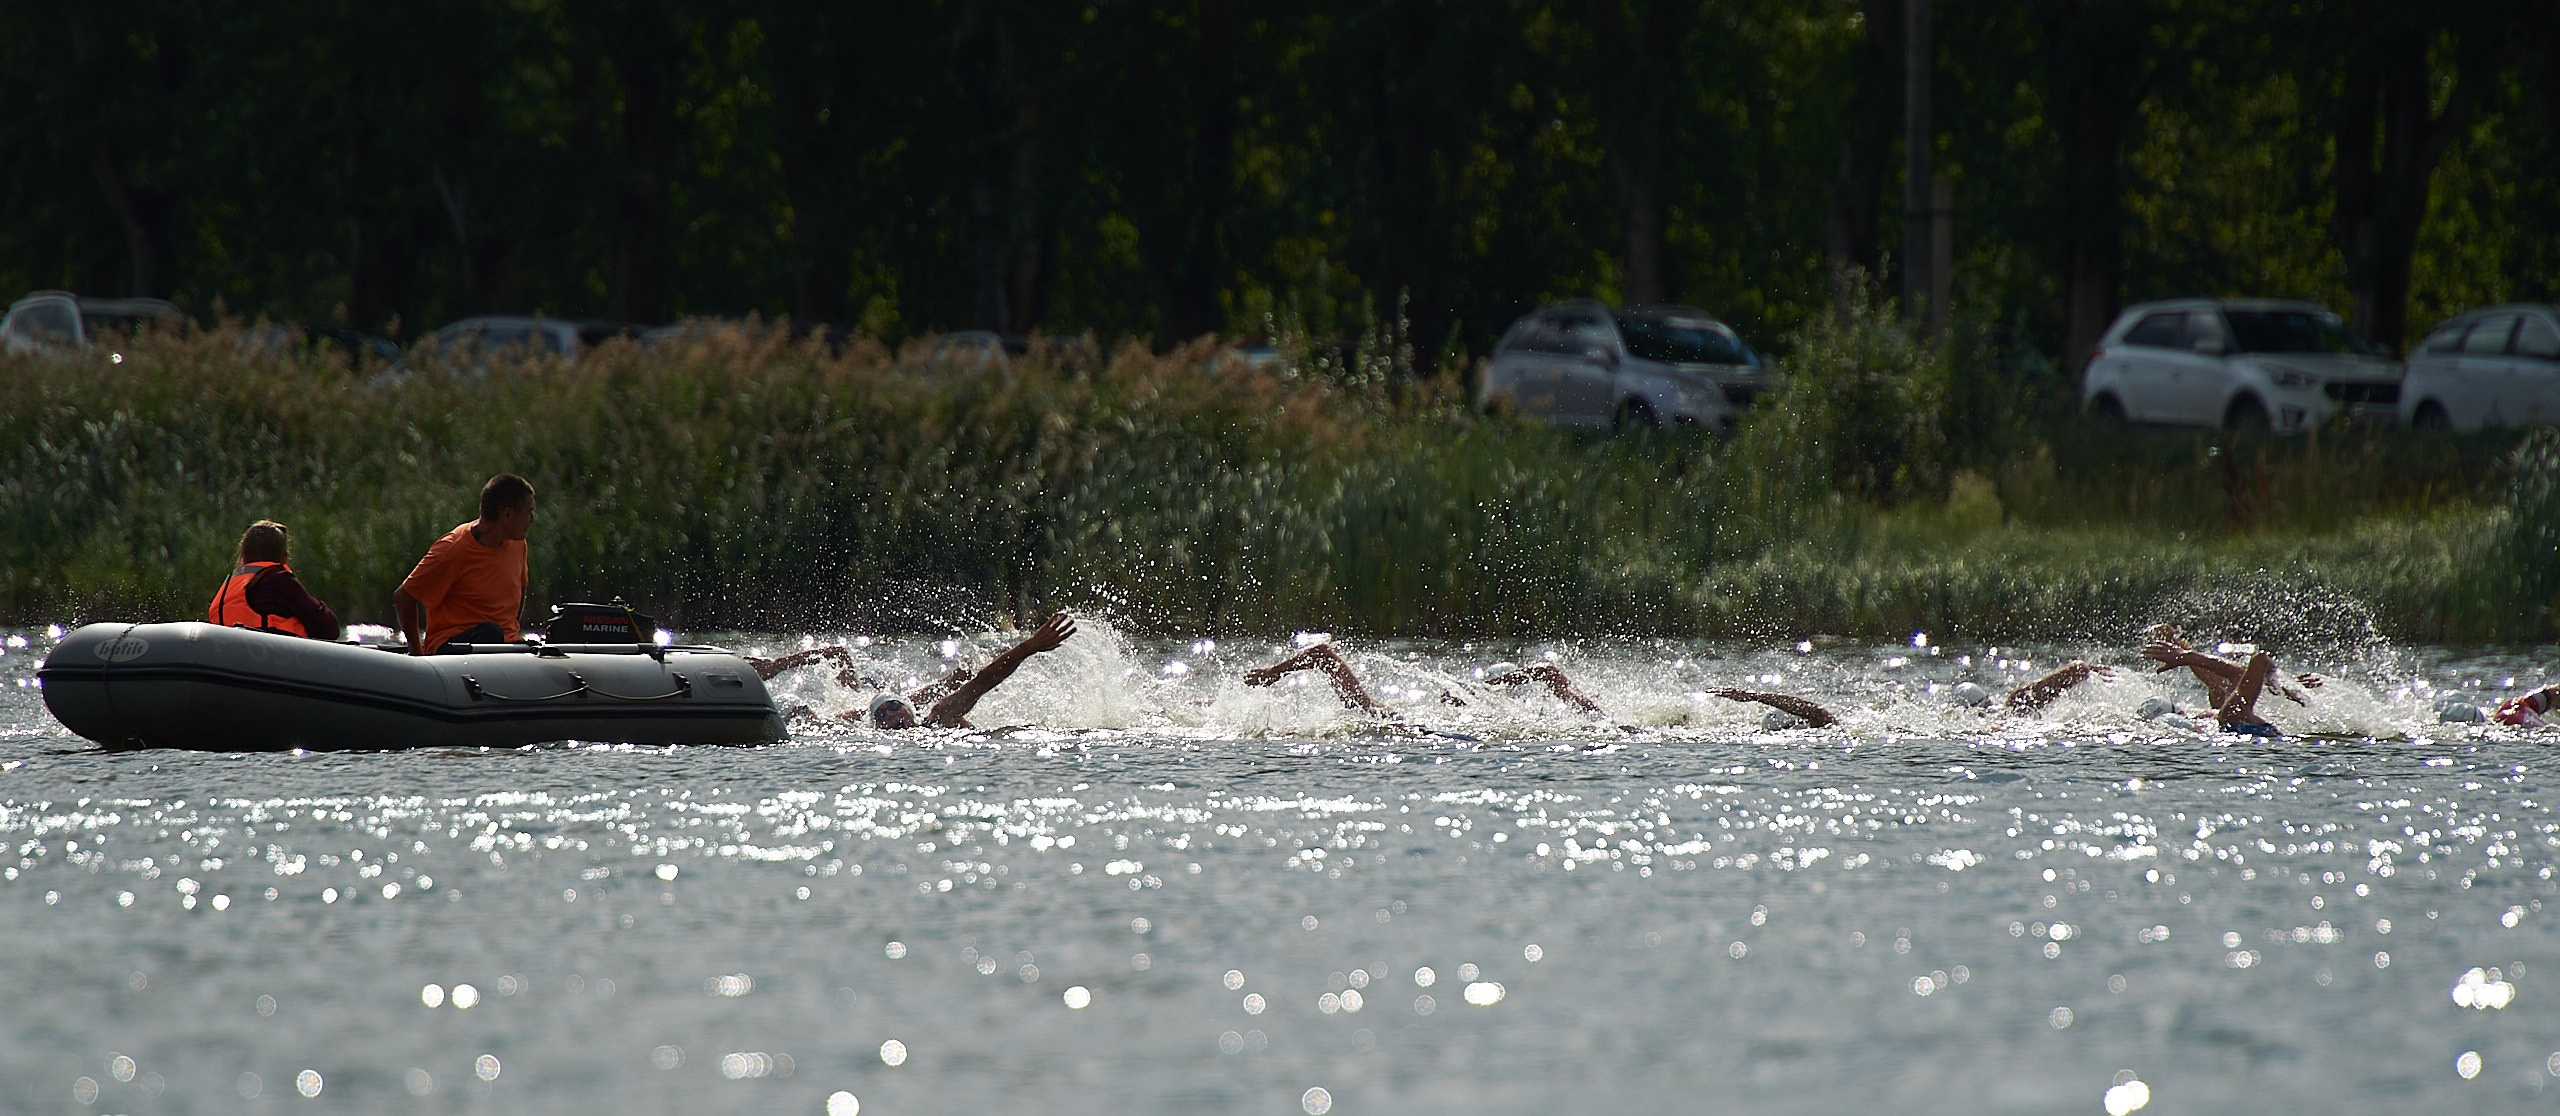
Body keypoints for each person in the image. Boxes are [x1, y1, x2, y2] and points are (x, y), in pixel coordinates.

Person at [1240, 640, 1844, 728]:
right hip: (1575, 717)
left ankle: (1815, 718)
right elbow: (1324, 657)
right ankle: (1817, 718)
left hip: (1579, 720)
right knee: (1709, 709)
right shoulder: (1398, 722)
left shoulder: (1387, 722)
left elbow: (1324, 656)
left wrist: (1271, 674)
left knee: (1705, 710)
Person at [756, 613, 1078, 729]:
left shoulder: (939, 716)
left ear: (908, 710)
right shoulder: (864, 722)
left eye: (895, 710)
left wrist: (1029, 646)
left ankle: (943, 683)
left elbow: (983, 683)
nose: (893, 718)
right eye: (883, 717)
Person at [395, 474, 536, 655]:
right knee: (490, 633)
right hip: (452, 648)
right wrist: (416, 653)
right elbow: (403, 597)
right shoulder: (453, 549)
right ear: (508, 514)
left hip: (504, 647)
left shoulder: (518, 544)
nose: (532, 519)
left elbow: (520, 589)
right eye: (529, 512)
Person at [205, 519, 342, 640]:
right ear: (284, 558)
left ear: (243, 555)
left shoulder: (226, 588)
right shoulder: (279, 581)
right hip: (273, 662)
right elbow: (329, 629)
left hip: (230, 662)